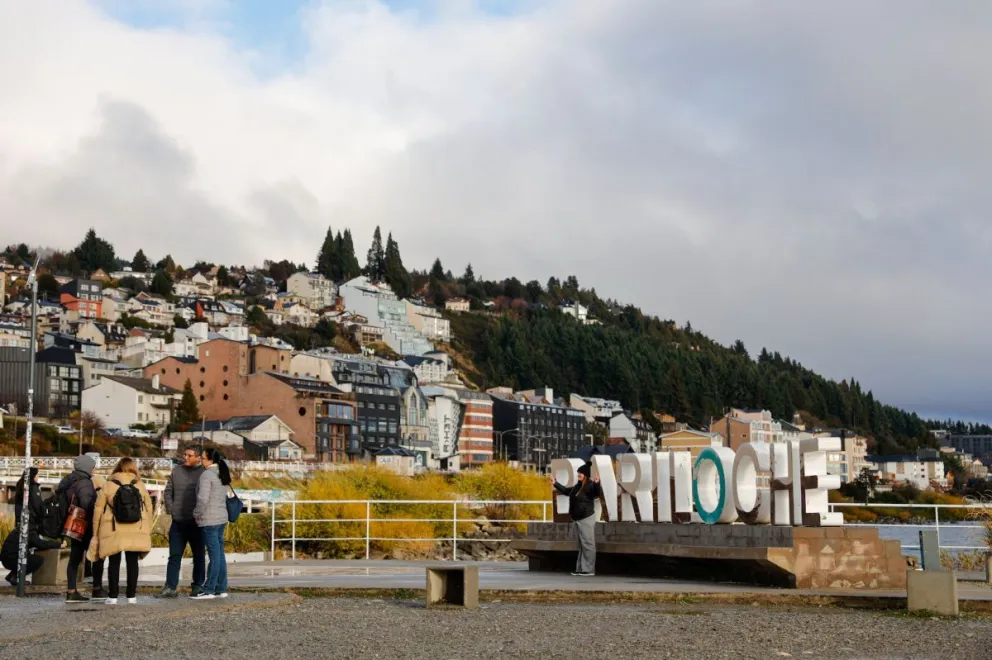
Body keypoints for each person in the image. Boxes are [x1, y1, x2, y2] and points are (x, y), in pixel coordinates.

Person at [87, 458, 153, 605]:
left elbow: (98, 511)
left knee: (113, 563)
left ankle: (113, 596)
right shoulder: (140, 485)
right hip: (136, 528)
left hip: (113, 528)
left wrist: (95, 532)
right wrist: (147, 529)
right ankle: (131, 596)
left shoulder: (109, 485)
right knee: (132, 563)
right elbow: (149, 510)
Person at [156, 444, 205, 598]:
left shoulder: (204, 473)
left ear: (198, 457)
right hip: (178, 522)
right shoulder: (176, 471)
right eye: (185, 454)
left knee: (199, 556)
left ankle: (197, 586)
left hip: (197, 523)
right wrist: (171, 509)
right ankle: (170, 587)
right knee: (174, 556)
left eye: (189, 455)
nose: (185, 458)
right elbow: (168, 490)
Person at [1, 468, 62, 585]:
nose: (38, 477)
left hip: (21, 522)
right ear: (33, 476)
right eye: (37, 475)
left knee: (23, 549)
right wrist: (58, 543)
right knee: (33, 556)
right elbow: (38, 507)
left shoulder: (21, 487)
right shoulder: (33, 488)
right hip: (29, 522)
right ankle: (18, 577)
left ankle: (14, 576)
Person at [57, 455, 99, 603]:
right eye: (93, 466)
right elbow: (86, 503)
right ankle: (98, 588)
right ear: (86, 467)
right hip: (84, 525)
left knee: (74, 559)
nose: (94, 469)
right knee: (97, 555)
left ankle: (71, 591)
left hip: (71, 525)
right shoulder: (85, 482)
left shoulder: (68, 480)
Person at [191, 448, 230, 600]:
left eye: (202, 457)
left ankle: (209, 590)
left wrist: (196, 514)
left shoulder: (207, 474)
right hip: (221, 518)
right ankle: (221, 588)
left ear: (209, 460)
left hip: (210, 519)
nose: (201, 460)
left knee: (214, 556)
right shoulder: (221, 472)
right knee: (219, 554)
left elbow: (202, 499)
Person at [551, 463, 601, 577]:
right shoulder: (577, 486)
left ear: (586, 475)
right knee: (581, 545)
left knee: (588, 544)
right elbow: (567, 492)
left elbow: (597, 493)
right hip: (577, 519)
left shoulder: (590, 485)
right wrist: (556, 483)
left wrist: (598, 483)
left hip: (586, 518)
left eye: (581, 473)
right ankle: (580, 568)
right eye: (578, 472)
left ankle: (589, 569)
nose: (579, 474)